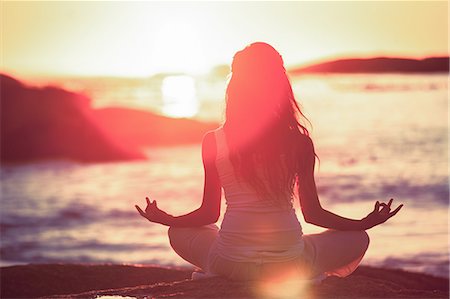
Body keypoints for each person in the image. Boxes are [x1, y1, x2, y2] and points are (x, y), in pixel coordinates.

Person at [135, 42, 403, 282]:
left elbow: (209, 214)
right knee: (358, 239)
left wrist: (166, 219)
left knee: (178, 232)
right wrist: (362, 224)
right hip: (289, 265)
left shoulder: (214, 140)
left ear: (236, 86)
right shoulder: (299, 142)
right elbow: (313, 214)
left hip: (230, 262)